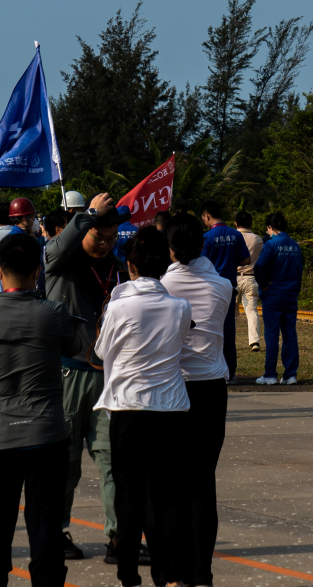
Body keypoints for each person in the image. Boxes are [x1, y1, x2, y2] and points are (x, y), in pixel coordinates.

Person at [0, 230, 91, 587]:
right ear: (38, 270)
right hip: (45, 434)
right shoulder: (53, 314)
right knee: (46, 528)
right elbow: (76, 344)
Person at [96, 227, 193, 587]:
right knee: (169, 495)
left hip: (128, 409)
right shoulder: (180, 307)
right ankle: (171, 575)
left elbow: (102, 352)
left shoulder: (119, 306)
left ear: (131, 266)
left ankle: (127, 574)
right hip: (168, 409)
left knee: (129, 494)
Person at [44, 192, 125, 562]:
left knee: (113, 460)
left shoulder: (122, 268)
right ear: (85, 230)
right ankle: (56, 531)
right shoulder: (62, 264)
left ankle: (119, 536)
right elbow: (54, 250)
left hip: (110, 380)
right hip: (68, 375)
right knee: (66, 462)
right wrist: (87, 215)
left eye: (112, 238)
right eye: (99, 236)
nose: (106, 244)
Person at [162, 215, 235, 586]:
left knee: (174, 483)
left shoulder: (164, 285)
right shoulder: (223, 287)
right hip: (211, 388)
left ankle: (177, 572)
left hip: (176, 388)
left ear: (171, 249)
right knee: (203, 482)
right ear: (202, 244)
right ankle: (202, 572)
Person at [252, 213, 304, 385]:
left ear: (271, 228)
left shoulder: (271, 244)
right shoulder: (295, 246)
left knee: (272, 334)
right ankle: (290, 374)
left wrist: (264, 284)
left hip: (273, 294)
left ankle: (270, 374)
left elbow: (259, 265)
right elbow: (299, 269)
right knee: (290, 334)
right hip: (290, 294)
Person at [200, 204, 250, 378]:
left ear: (206, 216)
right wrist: (231, 262)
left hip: (210, 290)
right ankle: (231, 371)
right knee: (229, 331)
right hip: (229, 288)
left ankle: (213, 370)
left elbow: (201, 261)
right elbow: (246, 259)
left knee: (210, 329)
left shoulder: (206, 237)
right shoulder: (236, 235)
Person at [0, 198, 39, 297]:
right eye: (33, 217)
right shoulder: (21, 239)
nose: (34, 220)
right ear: (25, 219)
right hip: (21, 294)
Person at [233, 211, 263, 354]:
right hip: (251, 277)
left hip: (234, 277)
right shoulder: (257, 240)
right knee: (251, 311)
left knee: (232, 312)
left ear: (235, 223)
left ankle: (229, 339)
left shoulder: (232, 237)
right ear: (251, 224)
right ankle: (254, 341)